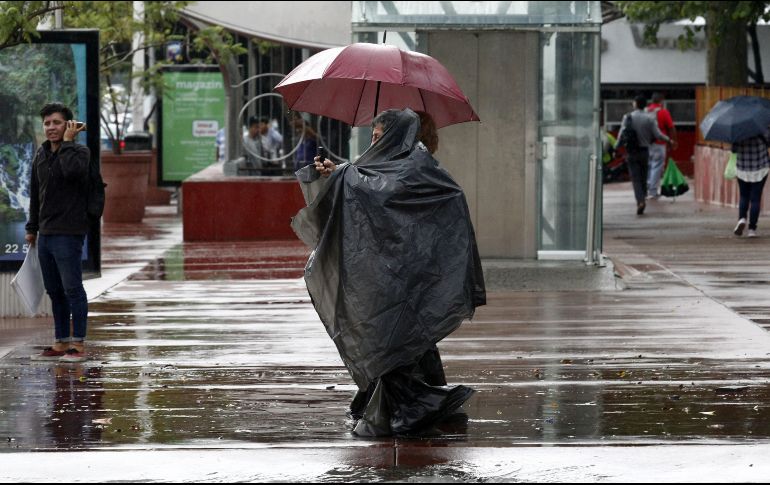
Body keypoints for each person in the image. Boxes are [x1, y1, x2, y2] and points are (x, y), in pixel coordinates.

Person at [302, 109, 485, 437]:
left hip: (406, 273)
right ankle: (420, 397)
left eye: (379, 136)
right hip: (390, 271)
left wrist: (344, 173)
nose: (375, 143)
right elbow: (371, 186)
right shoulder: (394, 164)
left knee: (394, 338)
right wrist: (339, 172)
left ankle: (417, 404)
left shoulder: (415, 164)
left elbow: (382, 191)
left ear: (396, 136)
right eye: (373, 137)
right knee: (404, 338)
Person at [26, 102, 90, 363]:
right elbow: (35, 194)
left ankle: (78, 344)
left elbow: (71, 173)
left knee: (73, 288)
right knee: (54, 290)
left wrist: (68, 143)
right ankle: (61, 341)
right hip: (46, 233)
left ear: (68, 125)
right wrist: (32, 228)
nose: (51, 127)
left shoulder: (80, 152)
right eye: (47, 123)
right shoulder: (41, 154)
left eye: (56, 122)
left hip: (68, 232)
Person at [615, 95, 672, 215]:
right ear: (645, 105)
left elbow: (621, 134)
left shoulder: (627, 117)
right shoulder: (650, 118)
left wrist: (616, 146)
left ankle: (640, 201)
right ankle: (644, 195)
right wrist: (669, 140)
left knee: (635, 178)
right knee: (643, 176)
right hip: (645, 151)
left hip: (631, 152)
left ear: (635, 104)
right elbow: (658, 135)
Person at [731, 129, 770, 238]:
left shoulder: (738, 131)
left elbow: (734, 150)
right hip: (760, 168)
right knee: (755, 199)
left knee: (744, 196)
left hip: (742, 168)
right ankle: (752, 229)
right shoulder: (763, 129)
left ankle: (742, 219)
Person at [645, 92, 678, 199]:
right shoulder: (663, 112)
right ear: (661, 101)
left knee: (648, 166)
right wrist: (673, 141)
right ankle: (653, 191)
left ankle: (646, 189)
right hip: (659, 144)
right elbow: (671, 128)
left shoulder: (645, 111)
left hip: (646, 144)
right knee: (657, 167)